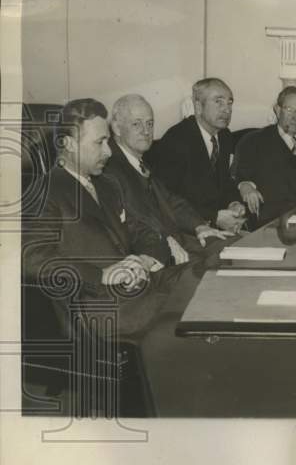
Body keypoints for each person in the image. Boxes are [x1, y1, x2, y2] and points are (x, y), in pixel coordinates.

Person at [22, 99, 180, 340]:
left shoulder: (107, 185)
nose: (108, 151)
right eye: (100, 143)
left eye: (107, 141)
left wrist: (146, 260)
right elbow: (33, 258)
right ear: (69, 144)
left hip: (138, 287)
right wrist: (102, 275)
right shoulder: (45, 193)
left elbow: (141, 231)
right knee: (190, 307)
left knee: (202, 280)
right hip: (100, 304)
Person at [104, 94, 233, 263]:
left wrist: (199, 225)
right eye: (136, 124)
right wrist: (165, 240)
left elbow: (171, 201)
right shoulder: (109, 169)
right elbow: (132, 222)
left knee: (233, 246)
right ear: (117, 128)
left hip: (177, 241)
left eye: (150, 123)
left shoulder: (139, 161)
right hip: (153, 253)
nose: (146, 131)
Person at [147, 78, 248, 228]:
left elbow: (224, 182)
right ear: (198, 106)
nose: (227, 109)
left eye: (229, 102)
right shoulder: (176, 140)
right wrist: (213, 218)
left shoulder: (225, 136)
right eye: (218, 101)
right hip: (189, 228)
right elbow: (168, 200)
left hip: (218, 225)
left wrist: (233, 203)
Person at [234, 86, 296, 227]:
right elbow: (238, 175)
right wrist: (245, 186)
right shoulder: (254, 141)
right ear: (277, 109)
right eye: (290, 110)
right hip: (271, 221)